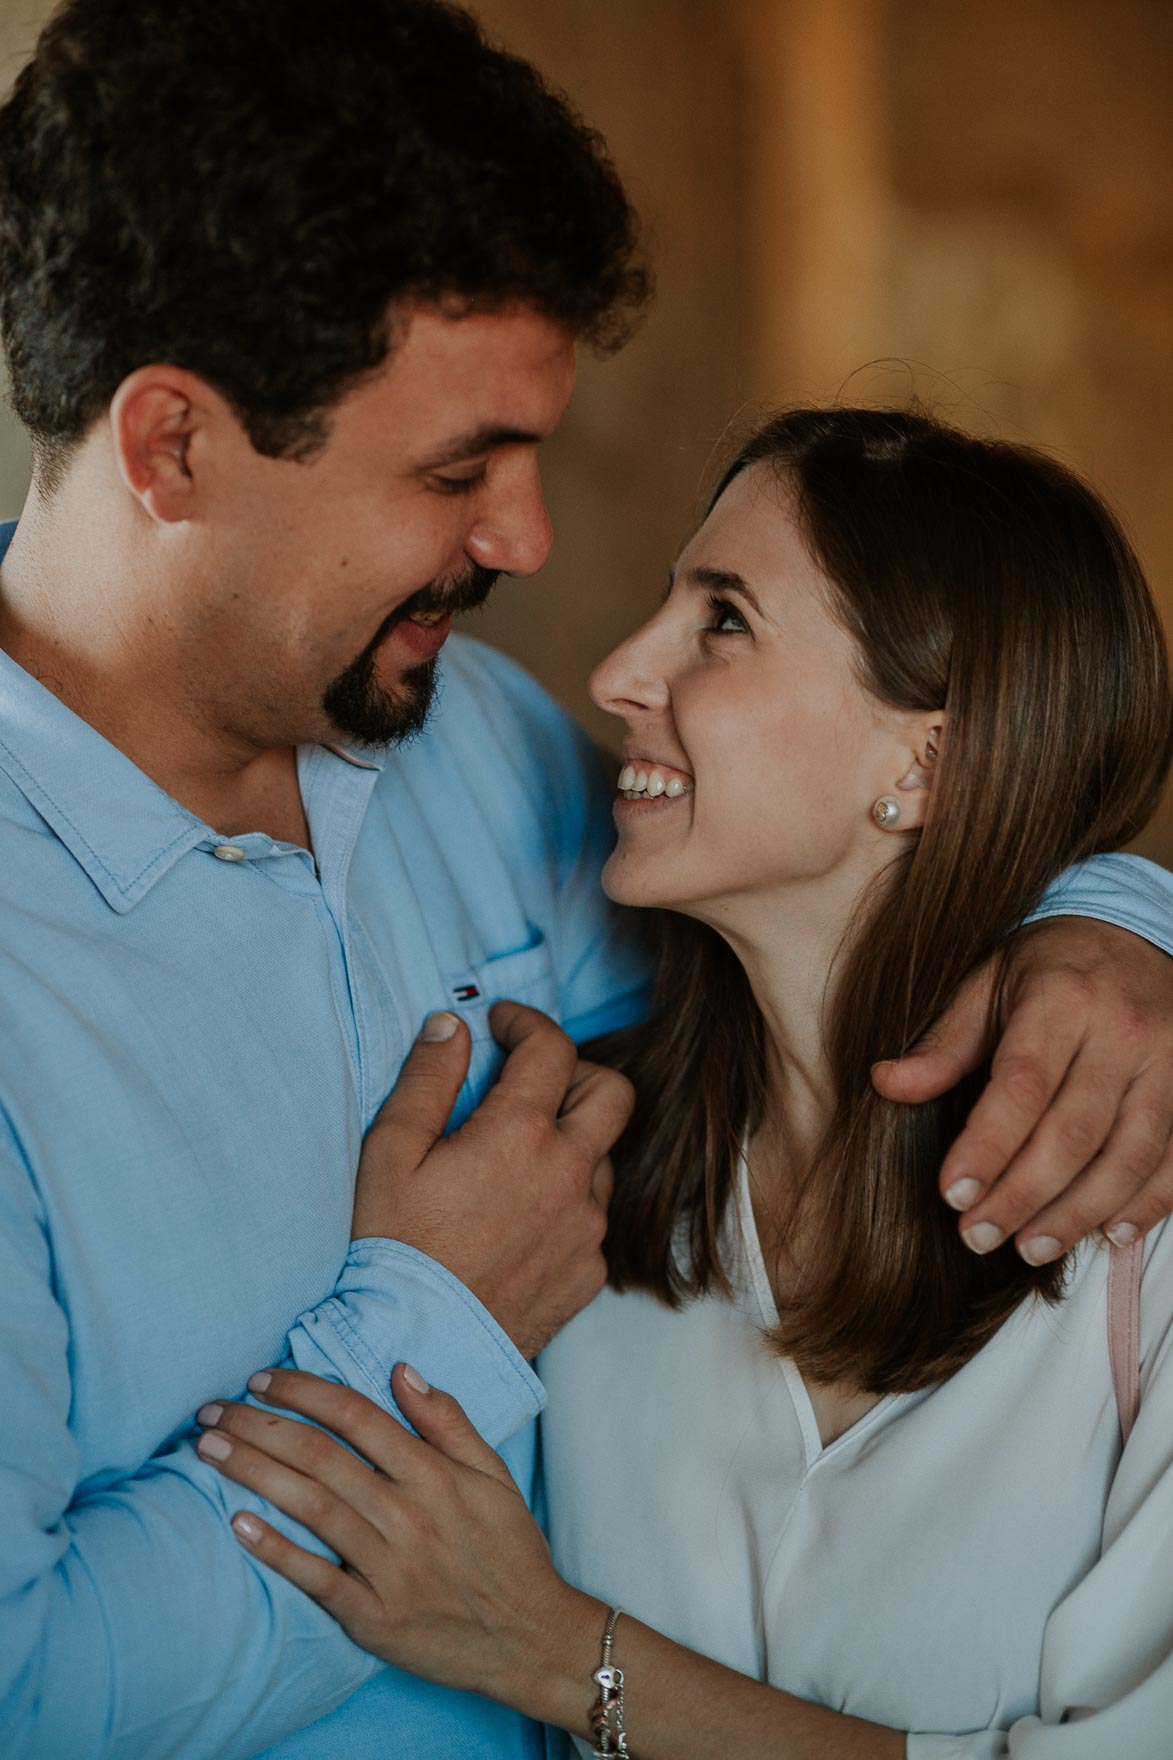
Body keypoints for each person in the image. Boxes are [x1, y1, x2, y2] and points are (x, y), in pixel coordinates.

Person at [0, 0, 1170, 1752]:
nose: (530, 546)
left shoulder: (466, 740)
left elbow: (857, 868)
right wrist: (437, 1321)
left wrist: (1110, 920)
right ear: (174, 443)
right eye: (459, 470)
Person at [195, 409, 1173, 1760]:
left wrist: (553, 1653)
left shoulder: (1146, 1236)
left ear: (924, 766)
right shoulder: (586, 1187)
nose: (613, 674)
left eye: (722, 623)